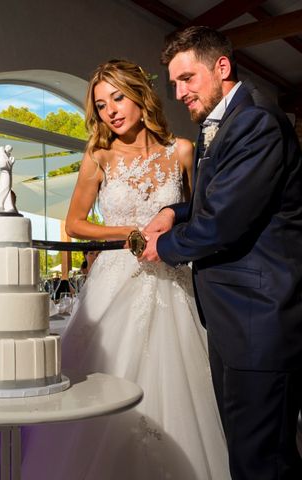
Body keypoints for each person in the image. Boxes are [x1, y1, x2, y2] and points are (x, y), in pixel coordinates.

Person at [22, 59, 230, 479]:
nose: (111, 111)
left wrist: (169, 235)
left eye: (118, 97)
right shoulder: (98, 157)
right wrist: (130, 233)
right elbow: (74, 223)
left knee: (181, 389)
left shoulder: (183, 151)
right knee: (101, 385)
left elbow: (196, 216)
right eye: (101, 105)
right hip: (114, 280)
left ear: (140, 95)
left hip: (172, 281)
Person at [141, 26, 302, 479]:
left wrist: (164, 246)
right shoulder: (227, 122)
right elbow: (221, 199)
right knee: (246, 453)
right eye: (174, 83)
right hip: (234, 319)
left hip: (259, 319)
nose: (179, 93)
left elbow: (223, 222)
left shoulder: (256, 122)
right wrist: (175, 211)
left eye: (188, 78)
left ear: (222, 67)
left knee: (262, 461)